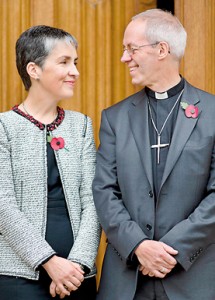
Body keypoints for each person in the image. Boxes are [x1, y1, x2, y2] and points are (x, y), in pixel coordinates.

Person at [93, 8, 215, 300]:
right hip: (126, 279)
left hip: (194, 277)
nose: (125, 58)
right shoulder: (115, 118)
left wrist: (171, 250)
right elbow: (104, 190)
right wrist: (138, 246)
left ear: (162, 49)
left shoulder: (212, 113)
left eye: (131, 49)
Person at [0, 25, 101, 300]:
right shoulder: (3, 127)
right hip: (18, 277)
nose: (75, 72)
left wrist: (77, 264)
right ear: (34, 70)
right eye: (64, 62)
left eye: (75, 62)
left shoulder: (81, 126)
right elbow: (3, 205)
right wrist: (49, 261)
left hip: (78, 276)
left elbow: (93, 200)